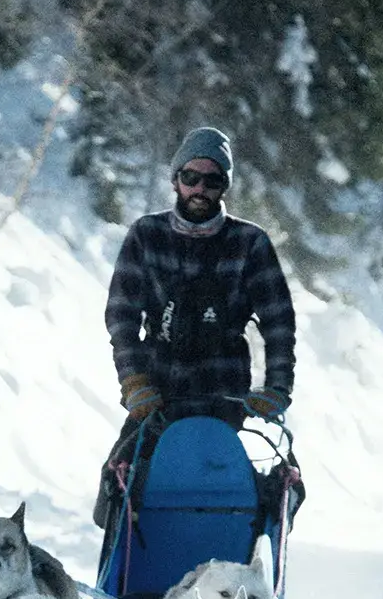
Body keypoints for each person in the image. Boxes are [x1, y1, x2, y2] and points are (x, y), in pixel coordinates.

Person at [104, 126, 295, 429]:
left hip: (224, 398)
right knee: (121, 474)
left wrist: (278, 387)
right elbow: (121, 315)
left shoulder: (250, 242)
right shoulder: (146, 234)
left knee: (229, 475)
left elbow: (279, 323)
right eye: (190, 177)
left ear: (224, 186)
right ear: (176, 180)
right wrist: (134, 380)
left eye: (212, 180)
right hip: (156, 396)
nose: (199, 189)